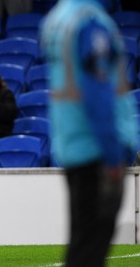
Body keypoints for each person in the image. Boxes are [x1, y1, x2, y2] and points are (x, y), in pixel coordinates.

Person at [41, 0, 139, 266]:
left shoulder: (57, 18)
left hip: (72, 143)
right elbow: (97, 90)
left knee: (83, 244)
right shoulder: (90, 21)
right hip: (97, 147)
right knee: (89, 253)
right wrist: (112, 153)